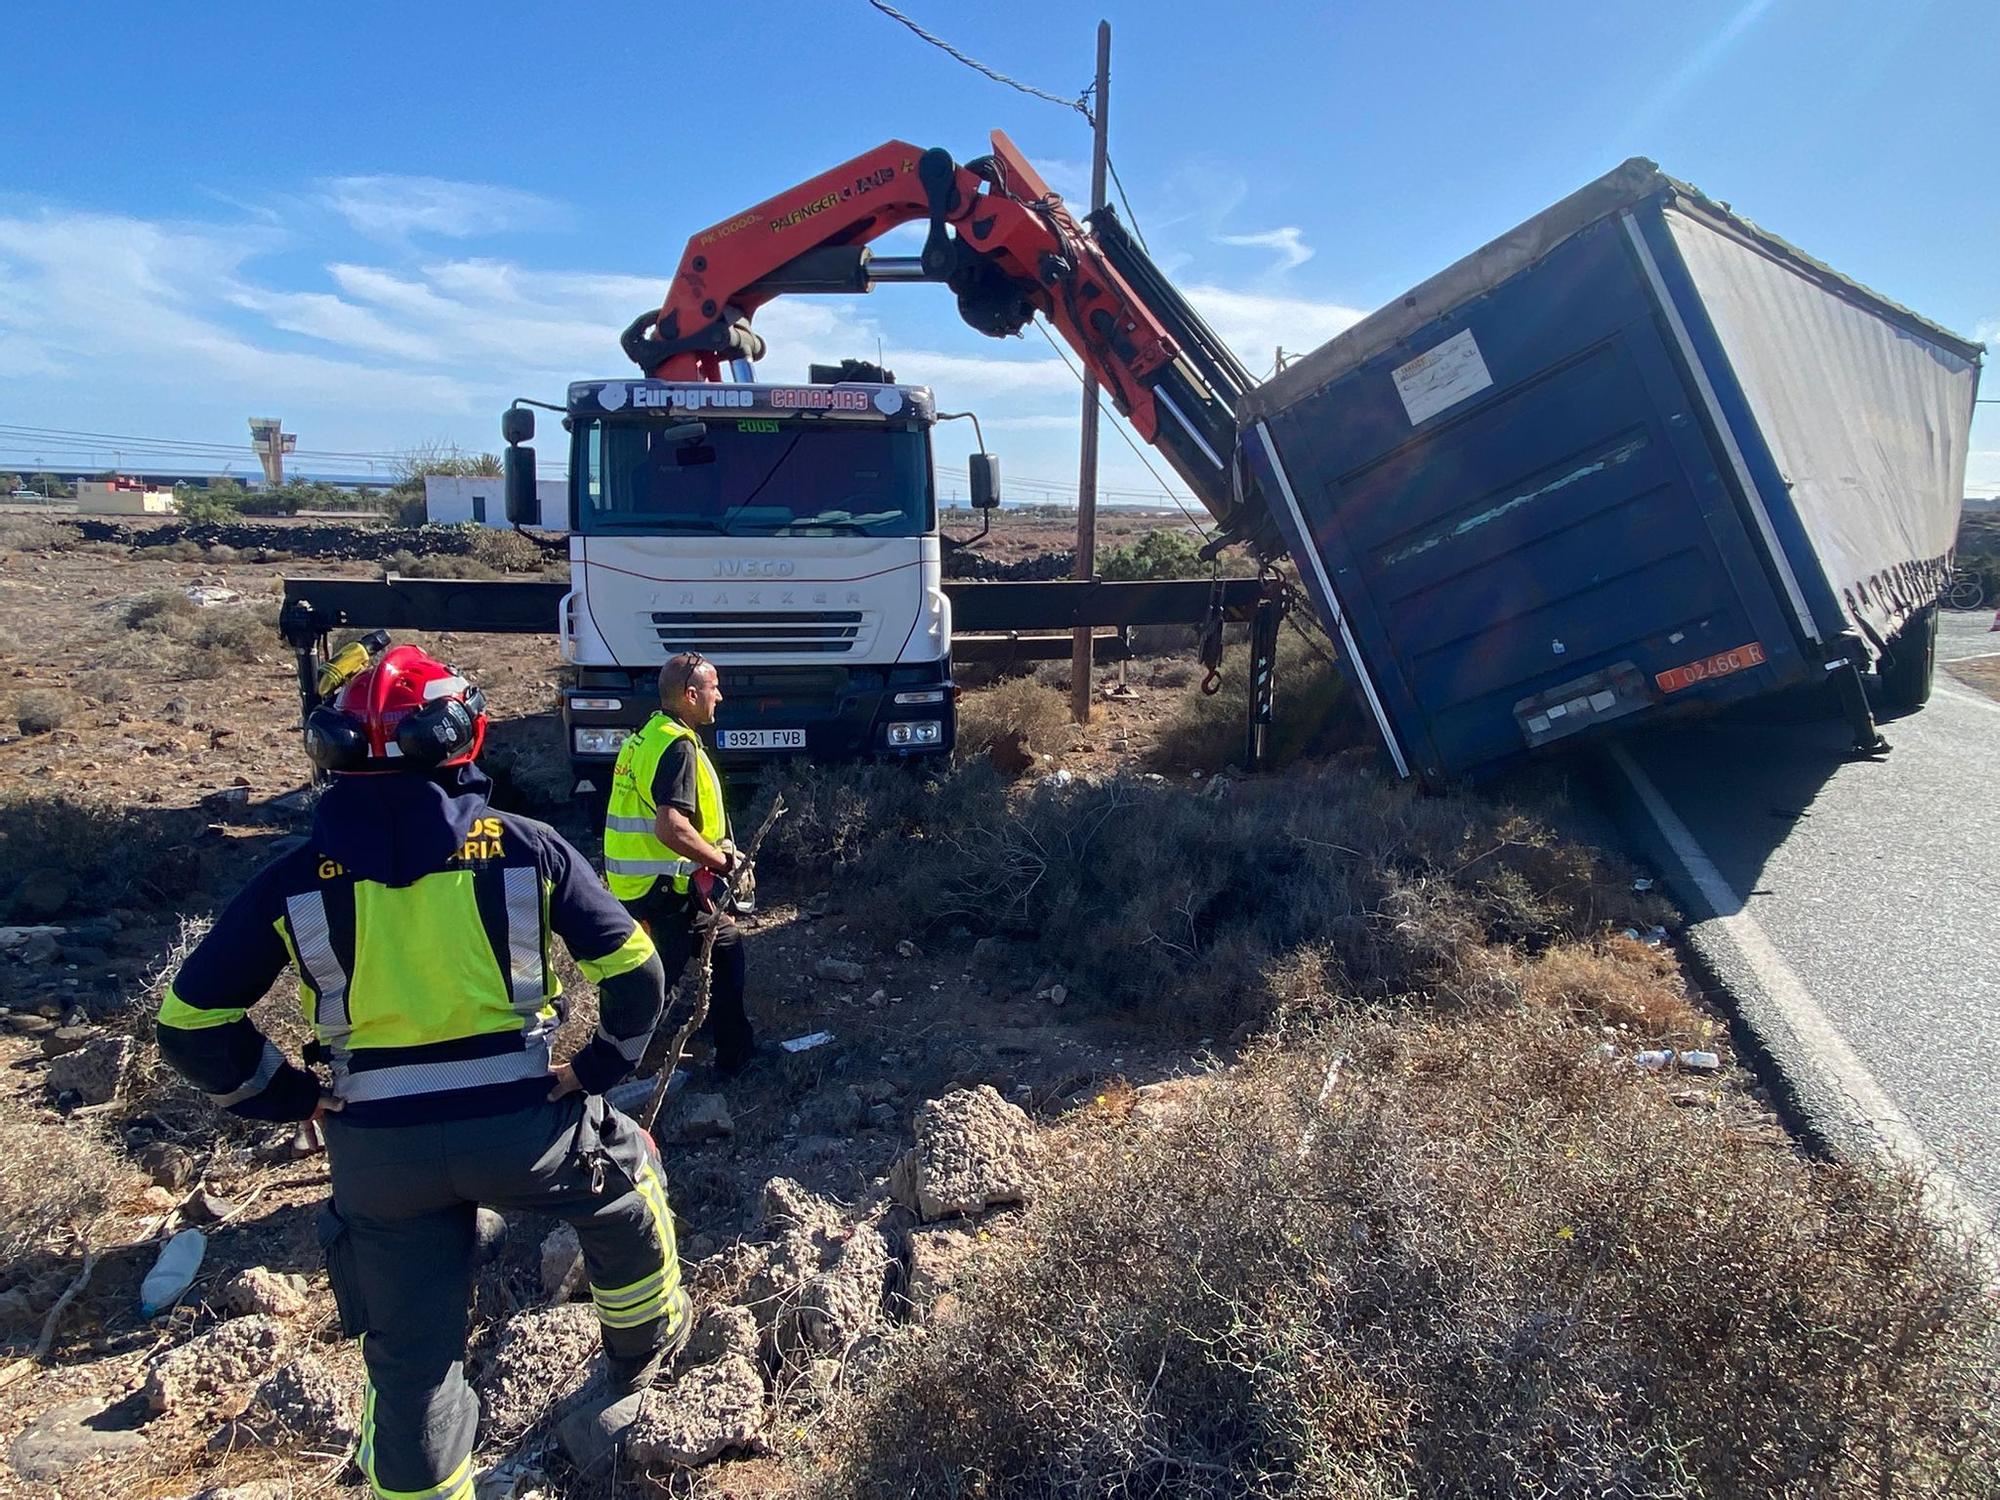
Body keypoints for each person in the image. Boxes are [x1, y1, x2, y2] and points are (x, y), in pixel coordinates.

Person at [156, 645, 685, 1500]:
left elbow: (188, 1022)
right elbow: (636, 976)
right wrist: (593, 1067)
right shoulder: (526, 849)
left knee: (410, 1368)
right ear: (465, 737)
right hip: (521, 1127)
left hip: (377, 1151)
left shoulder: (294, 877)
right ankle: (639, 1350)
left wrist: (291, 1092)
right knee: (629, 1184)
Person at [601, 651, 757, 1077]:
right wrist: (724, 863)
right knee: (657, 985)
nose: (720, 697)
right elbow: (671, 828)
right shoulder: (678, 746)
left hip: (640, 885)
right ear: (691, 694)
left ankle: (731, 1051)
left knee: (722, 950)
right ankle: (612, 1071)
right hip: (663, 890)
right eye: (713, 688)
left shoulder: (648, 734)